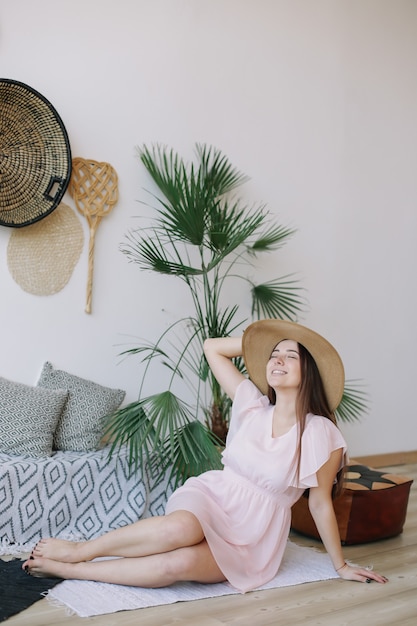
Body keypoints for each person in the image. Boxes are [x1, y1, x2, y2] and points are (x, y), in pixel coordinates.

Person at [22, 319, 388, 591]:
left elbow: (320, 502)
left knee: (176, 565)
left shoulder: (321, 432)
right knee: (181, 527)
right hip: (216, 496)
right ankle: (80, 551)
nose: (277, 360)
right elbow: (212, 347)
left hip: (253, 532)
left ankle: (74, 571)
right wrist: (264, 344)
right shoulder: (251, 404)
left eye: (290, 356)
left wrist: (339, 566)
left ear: (309, 370)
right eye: (273, 356)